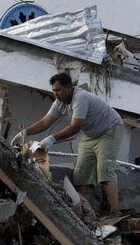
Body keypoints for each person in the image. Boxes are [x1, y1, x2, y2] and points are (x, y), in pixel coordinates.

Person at [24, 72, 124, 215]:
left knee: (104, 170)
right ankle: (85, 212)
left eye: (58, 90)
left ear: (69, 87)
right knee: (81, 175)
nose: (56, 94)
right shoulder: (59, 103)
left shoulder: (80, 98)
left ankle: (116, 211)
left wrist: (52, 138)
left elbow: (75, 127)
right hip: (90, 135)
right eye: (53, 91)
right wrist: (25, 132)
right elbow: (44, 122)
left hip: (109, 131)